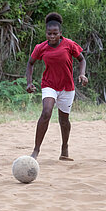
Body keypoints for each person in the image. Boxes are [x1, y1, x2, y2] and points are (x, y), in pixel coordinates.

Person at [26, 12, 88, 160]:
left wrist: (82, 74)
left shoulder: (69, 44)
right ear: (46, 33)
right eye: (49, 34)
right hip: (49, 85)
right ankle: (36, 150)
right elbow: (30, 63)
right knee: (46, 112)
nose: (52, 36)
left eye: (55, 34)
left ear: (60, 33)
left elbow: (82, 59)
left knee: (64, 120)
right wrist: (29, 82)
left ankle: (64, 147)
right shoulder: (41, 47)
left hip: (67, 87)